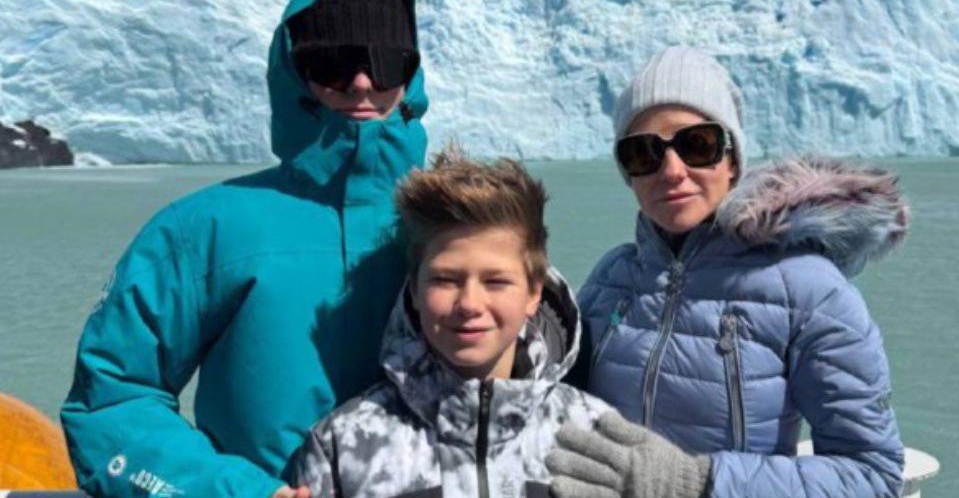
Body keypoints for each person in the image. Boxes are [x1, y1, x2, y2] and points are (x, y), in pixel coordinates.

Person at [60, 0, 429, 498]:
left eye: (386, 62)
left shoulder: (458, 222)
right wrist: (234, 492)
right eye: (333, 60)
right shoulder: (201, 228)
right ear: (294, 69)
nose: (360, 82)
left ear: (411, 73)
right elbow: (112, 400)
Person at [547, 46, 906, 498]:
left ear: (732, 159)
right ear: (628, 173)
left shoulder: (809, 289)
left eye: (697, 144)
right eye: (643, 152)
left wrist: (699, 481)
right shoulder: (611, 277)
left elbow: (872, 474)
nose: (671, 171)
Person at [288, 147, 614, 498]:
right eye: (445, 280)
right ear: (414, 289)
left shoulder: (595, 436)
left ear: (534, 293)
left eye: (495, 281)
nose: (469, 304)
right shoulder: (344, 447)